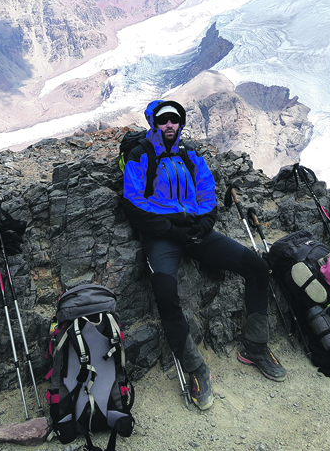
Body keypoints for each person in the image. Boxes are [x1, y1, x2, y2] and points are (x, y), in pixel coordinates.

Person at [121, 100, 287, 411]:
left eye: (174, 120)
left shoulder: (190, 153)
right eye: (163, 121)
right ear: (154, 123)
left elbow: (207, 193)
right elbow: (133, 203)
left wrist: (204, 224)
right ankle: (195, 367)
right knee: (166, 293)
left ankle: (255, 345)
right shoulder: (141, 154)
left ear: (180, 123)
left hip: (196, 231)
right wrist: (174, 231)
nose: (169, 125)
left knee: (255, 267)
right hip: (164, 236)